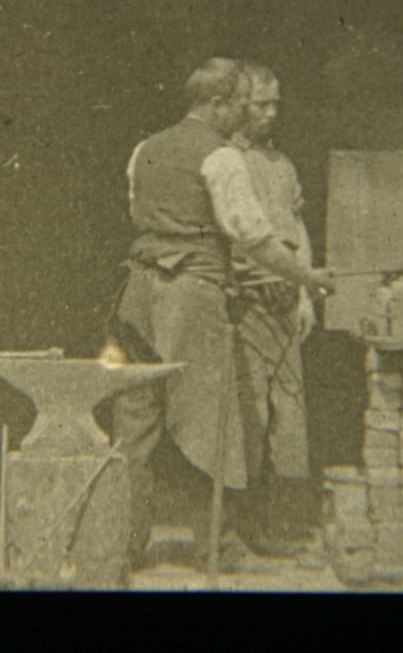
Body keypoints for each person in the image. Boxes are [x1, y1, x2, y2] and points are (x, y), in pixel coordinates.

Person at [108, 57, 333, 570]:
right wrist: (307, 277)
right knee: (211, 424)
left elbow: (141, 214)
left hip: (136, 297)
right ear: (215, 104)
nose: (244, 115)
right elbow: (253, 237)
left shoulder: (145, 149)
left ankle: (121, 545)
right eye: (239, 104)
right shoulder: (222, 157)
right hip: (191, 297)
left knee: (135, 426)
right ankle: (218, 547)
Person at [226, 63, 321, 551]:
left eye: (275, 104)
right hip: (247, 302)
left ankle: (284, 526)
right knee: (252, 415)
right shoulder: (226, 163)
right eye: (260, 103)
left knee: (290, 413)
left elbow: (296, 227)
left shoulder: (282, 165)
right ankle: (248, 526)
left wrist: (305, 294)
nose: (270, 112)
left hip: (286, 302)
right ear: (238, 104)